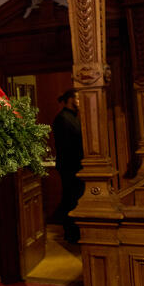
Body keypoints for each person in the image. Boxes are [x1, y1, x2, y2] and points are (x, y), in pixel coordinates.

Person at [52, 89, 83, 243]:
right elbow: (67, 147)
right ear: (71, 99)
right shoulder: (63, 119)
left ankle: (75, 232)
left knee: (74, 199)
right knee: (70, 199)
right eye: (78, 98)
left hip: (75, 166)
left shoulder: (72, 117)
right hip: (70, 167)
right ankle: (71, 234)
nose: (80, 102)